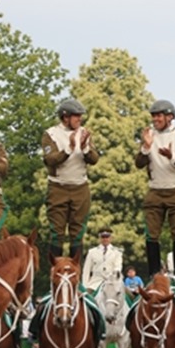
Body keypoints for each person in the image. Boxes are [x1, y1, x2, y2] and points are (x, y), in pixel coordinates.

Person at [135, 99, 175, 280]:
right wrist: (146, 147)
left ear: (170, 117)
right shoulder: (149, 135)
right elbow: (138, 163)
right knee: (151, 233)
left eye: (159, 115)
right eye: (153, 116)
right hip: (155, 190)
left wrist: (172, 156)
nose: (155, 119)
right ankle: (154, 274)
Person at [42, 98, 99, 259]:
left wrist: (85, 147)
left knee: (77, 232)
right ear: (65, 117)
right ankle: (56, 273)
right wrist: (69, 148)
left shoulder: (84, 133)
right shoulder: (50, 134)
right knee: (57, 233)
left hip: (80, 187)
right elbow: (50, 159)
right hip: (58, 188)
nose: (79, 119)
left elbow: (94, 159)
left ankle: (76, 273)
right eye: (76, 116)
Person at [82, 227, 124, 292]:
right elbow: (86, 270)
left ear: (111, 238)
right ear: (100, 238)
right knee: (84, 298)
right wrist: (85, 286)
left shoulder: (117, 252)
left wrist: (114, 278)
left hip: (112, 282)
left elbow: (118, 267)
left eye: (107, 237)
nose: (105, 239)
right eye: (103, 237)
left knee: (130, 297)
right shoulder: (92, 252)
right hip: (95, 284)